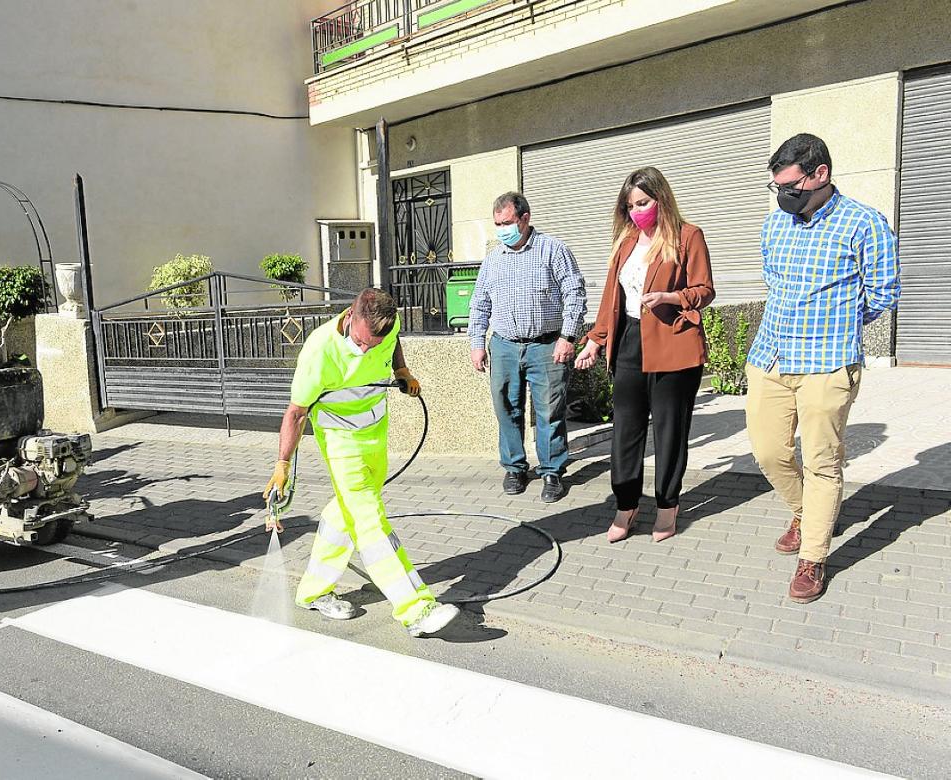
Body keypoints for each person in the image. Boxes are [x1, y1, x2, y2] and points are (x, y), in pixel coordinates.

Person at [745, 133, 899, 604]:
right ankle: (807, 511)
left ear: (820, 175)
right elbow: (773, 279)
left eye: (791, 187)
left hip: (827, 362)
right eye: (777, 188)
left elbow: (884, 292)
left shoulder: (864, 223)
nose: (784, 196)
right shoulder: (776, 223)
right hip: (770, 355)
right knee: (769, 452)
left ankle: (813, 555)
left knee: (822, 462)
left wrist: (839, 322)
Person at [263, 288, 460, 638]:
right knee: (370, 520)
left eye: (374, 344)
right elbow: (296, 413)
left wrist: (402, 369)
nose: (366, 349)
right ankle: (415, 609)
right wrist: (282, 464)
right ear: (350, 316)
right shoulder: (320, 350)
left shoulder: (386, 328)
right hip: (340, 444)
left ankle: (314, 591)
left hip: (375, 436)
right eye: (361, 341)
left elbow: (393, 340)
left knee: (346, 512)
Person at [575, 167, 715, 542]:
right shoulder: (626, 242)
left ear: (660, 199)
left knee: (670, 432)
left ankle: (667, 506)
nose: (637, 211)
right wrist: (595, 340)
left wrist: (672, 297)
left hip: (673, 341)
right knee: (625, 431)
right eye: (630, 205)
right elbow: (611, 299)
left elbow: (705, 289)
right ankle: (626, 505)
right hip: (630, 342)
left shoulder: (688, 237)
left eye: (643, 203)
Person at [468, 191, 587, 502]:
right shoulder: (494, 259)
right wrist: (476, 342)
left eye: (507, 222)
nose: (502, 230)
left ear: (525, 218)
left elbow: (575, 294)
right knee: (506, 409)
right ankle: (514, 467)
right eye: (497, 224)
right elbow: (479, 303)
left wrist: (568, 336)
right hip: (505, 345)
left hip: (546, 345)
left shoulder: (553, 250)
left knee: (549, 411)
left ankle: (552, 472)